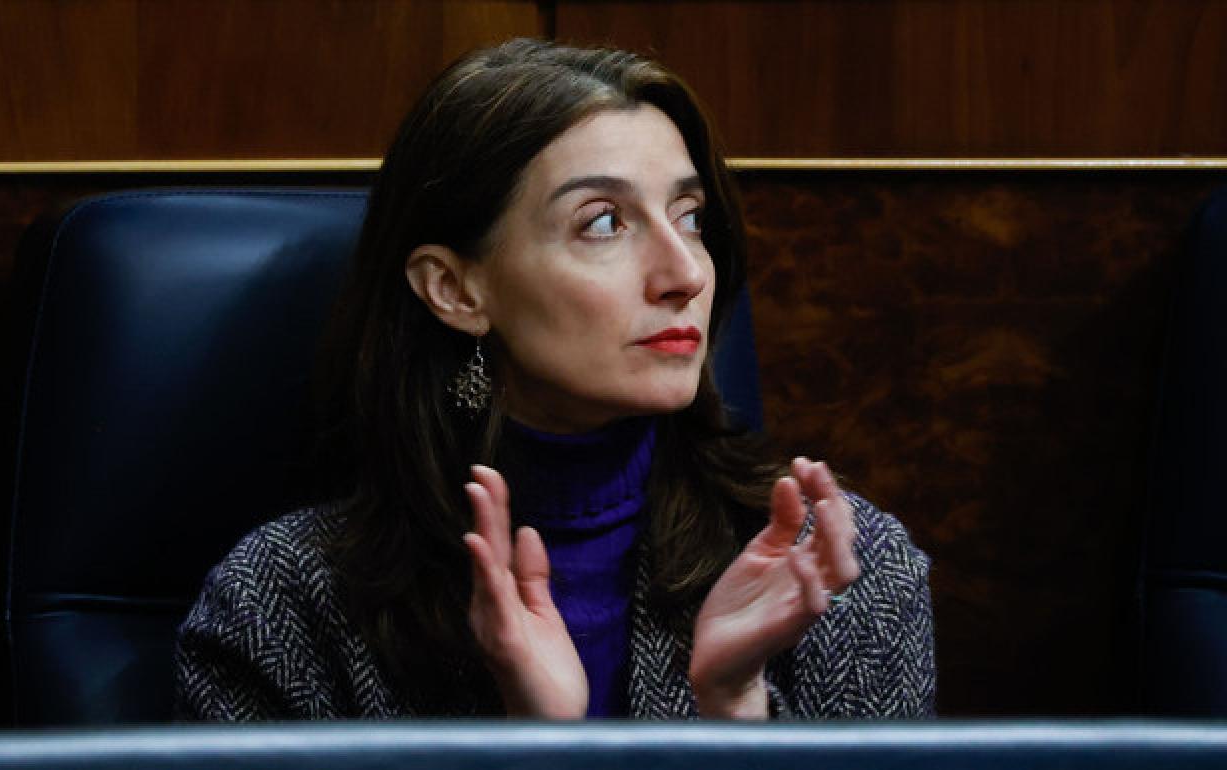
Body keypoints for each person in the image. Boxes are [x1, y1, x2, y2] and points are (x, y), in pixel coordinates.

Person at [175, 38, 934, 720]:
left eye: (690, 216)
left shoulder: (842, 568)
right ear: (454, 290)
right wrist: (536, 747)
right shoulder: (282, 605)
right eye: (604, 222)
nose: (685, 273)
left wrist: (734, 712)